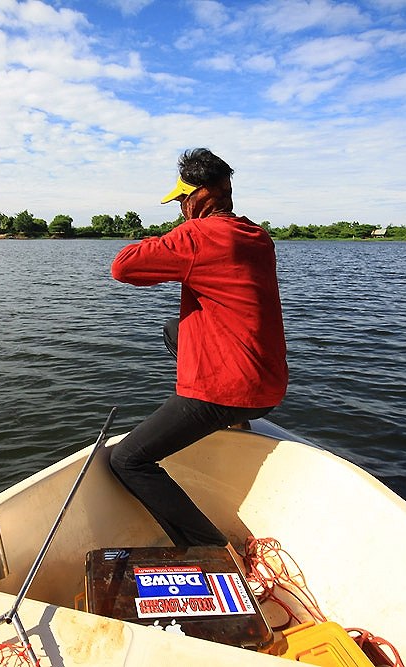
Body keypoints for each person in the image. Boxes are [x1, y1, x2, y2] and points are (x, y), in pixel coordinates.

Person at [108, 147, 288, 549]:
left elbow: (123, 266)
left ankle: (208, 547)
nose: (180, 210)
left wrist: (176, 234)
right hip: (269, 388)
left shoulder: (196, 236)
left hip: (226, 393)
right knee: (175, 329)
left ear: (200, 197)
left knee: (127, 460)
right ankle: (237, 423)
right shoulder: (257, 236)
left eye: (181, 202)